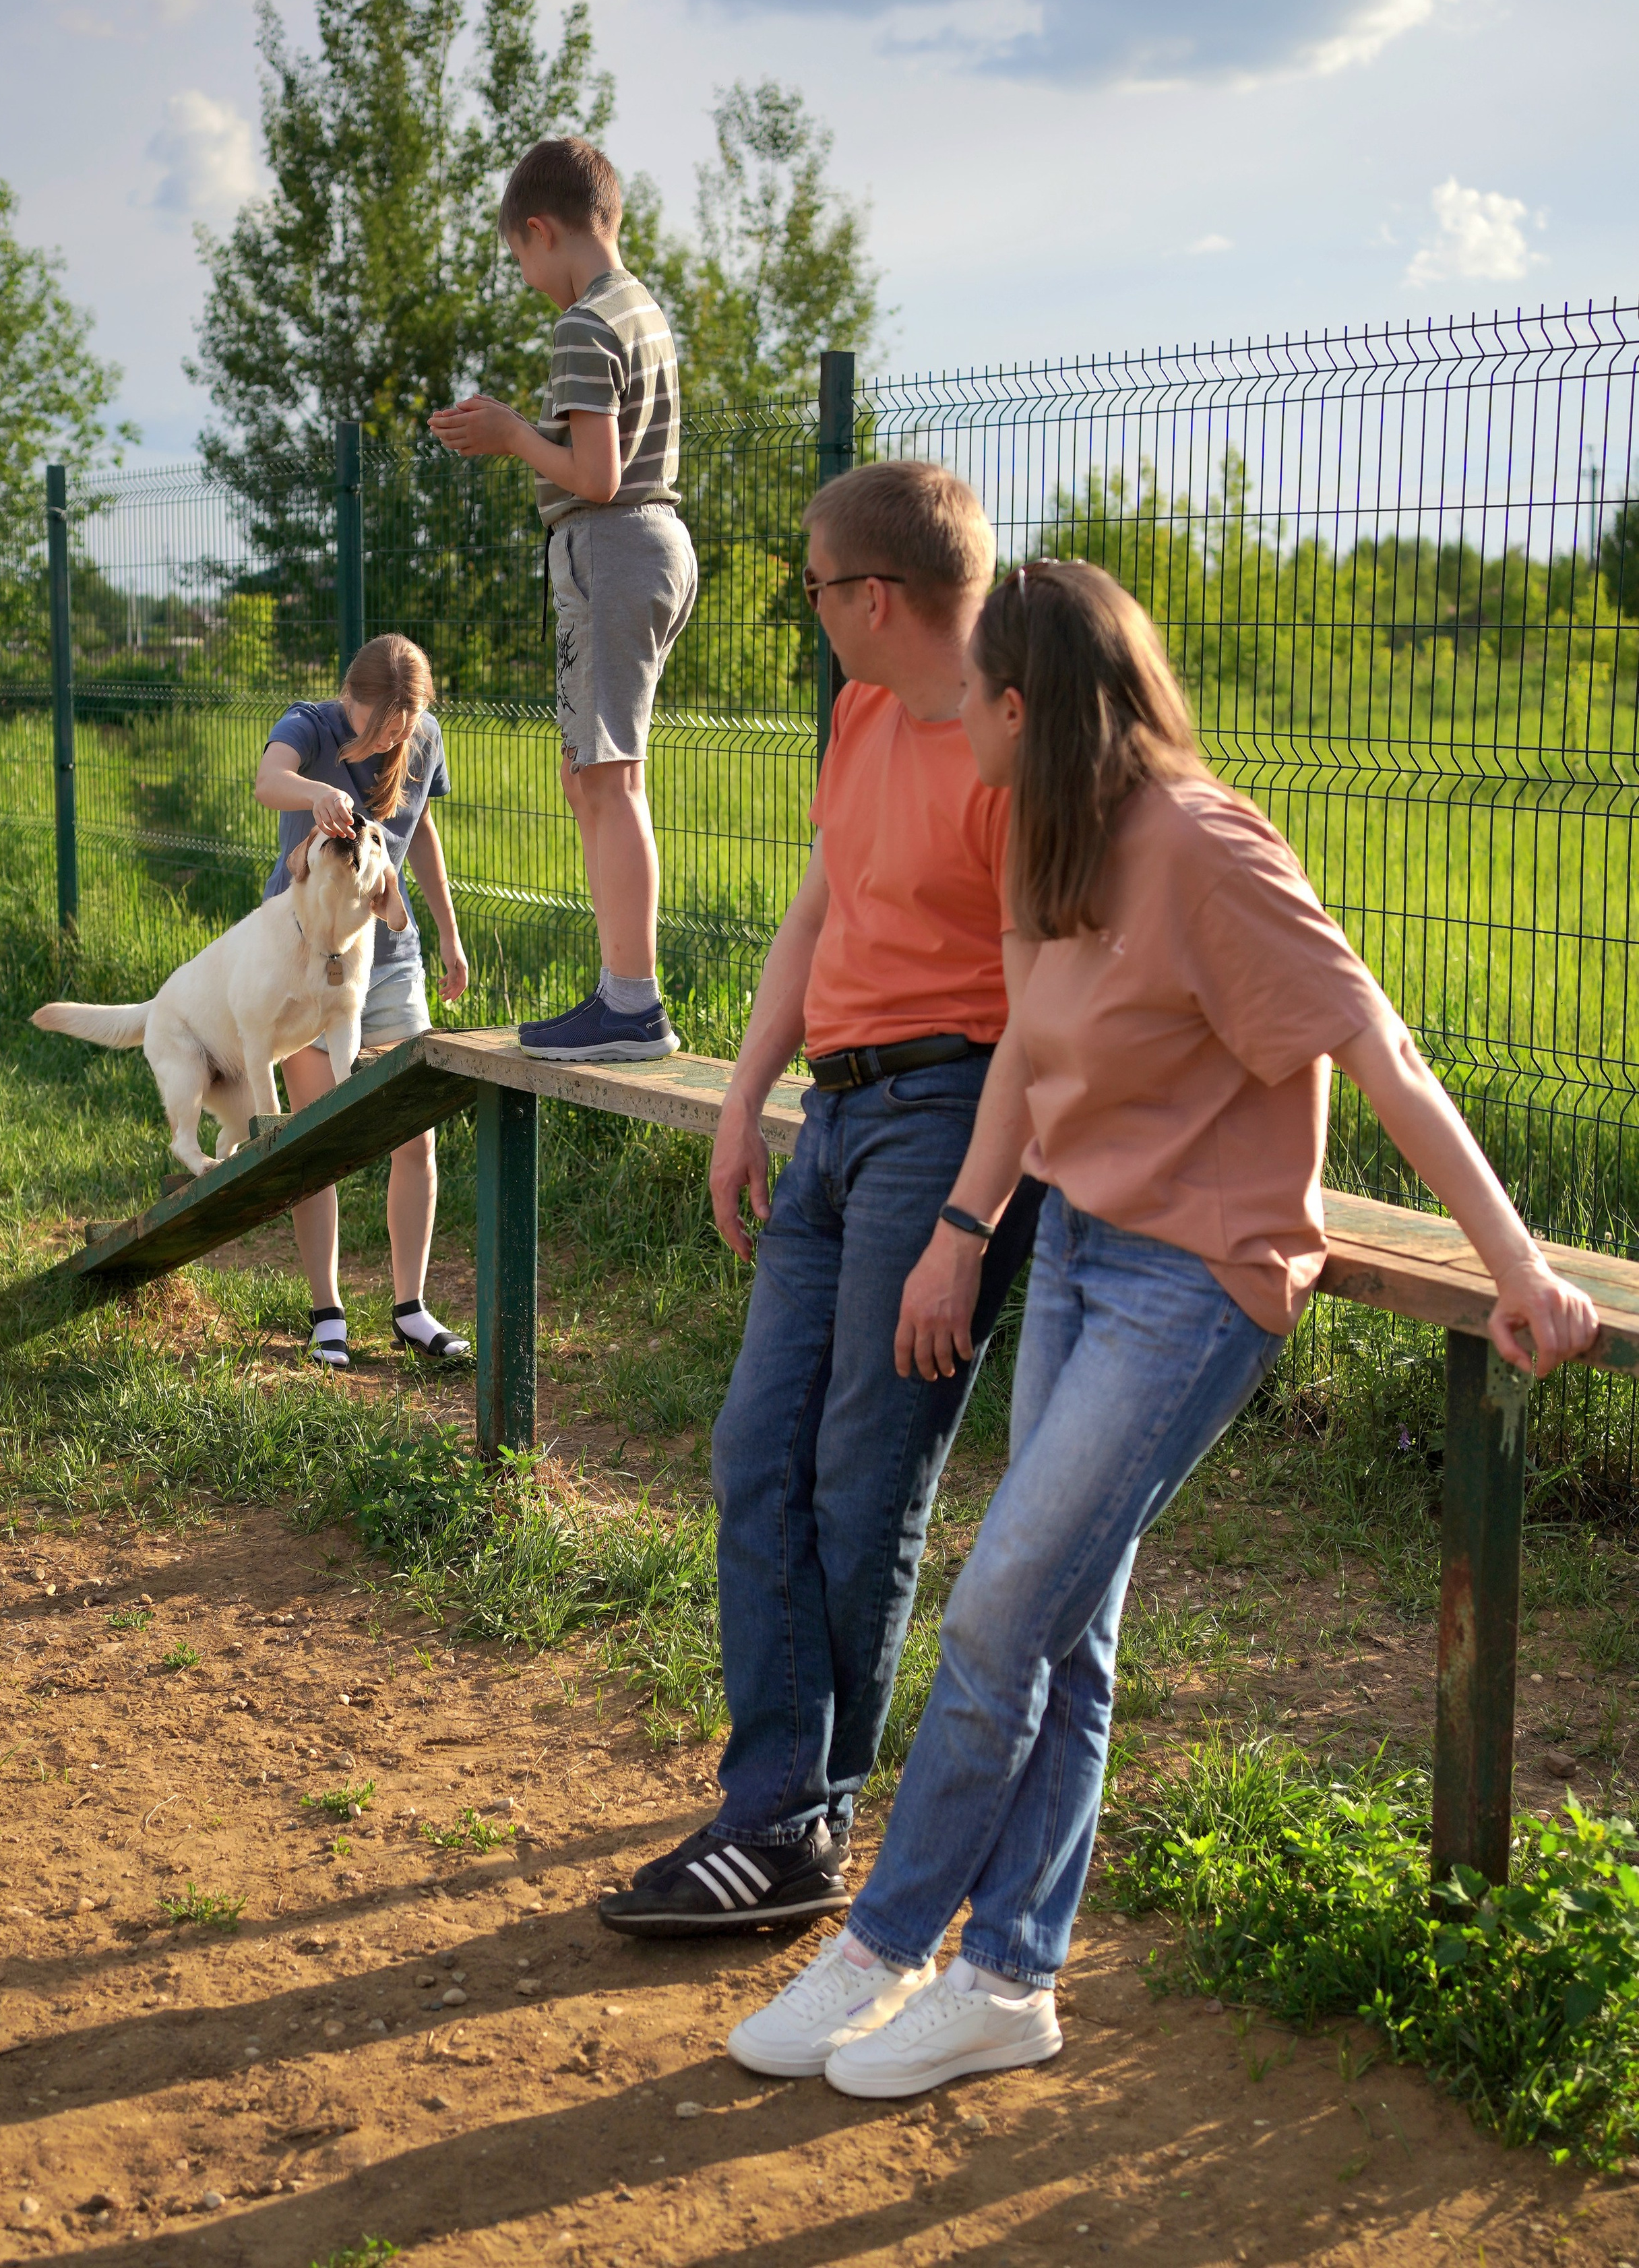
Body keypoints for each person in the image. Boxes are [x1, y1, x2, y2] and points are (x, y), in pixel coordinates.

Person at [726, 556, 1599, 2093]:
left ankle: (884, 1939)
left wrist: (1516, 1264)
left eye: (969, 695)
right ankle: (1009, 1979)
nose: (944, 719)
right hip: (1070, 1247)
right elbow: (1021, 1066)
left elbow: (1378, 1048)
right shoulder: (1050, 836)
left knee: (1001, 1609)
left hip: (1194, 1279)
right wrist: (969, 1228)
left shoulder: (1206, 847)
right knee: (1065, 1627)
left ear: (1019, 706)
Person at [596, 460, 1043, 1940]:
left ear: (876, 597)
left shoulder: (1011, 741)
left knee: (864, 1478)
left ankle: (796, 1820)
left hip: (950, 1124)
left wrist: (969, 1230)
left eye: (808, 587)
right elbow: (820, 907)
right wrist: (744, 1094)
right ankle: (775, 1800)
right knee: (754, 1450)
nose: (806, 614)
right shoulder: (859, 712)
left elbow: (1041, 1017)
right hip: (840, 1111)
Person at [429, 136, 695, 1064]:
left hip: (612, 547)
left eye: (519, 258)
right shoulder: (643, 309)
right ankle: (623, 992)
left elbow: (595, 471)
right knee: (595, 776)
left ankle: (629, 1003)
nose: (527, 277)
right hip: (651, 546)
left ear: (539, 231)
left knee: (608, 778)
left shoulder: (583, 324)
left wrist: (508, 433)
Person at [253, 632, 471, 1370]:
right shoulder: (309, 726)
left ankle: (410, 1307)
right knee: (321, 1143)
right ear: (355, 697)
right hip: (304, 963)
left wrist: (449, 932)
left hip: (390, 957)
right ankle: (328, 1314)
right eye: (385, 726)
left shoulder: (423, 734)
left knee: (417, 1136)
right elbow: (267, 779)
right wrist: (317, 793)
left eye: (408, 727)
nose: (396, 741)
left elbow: (422, 832)